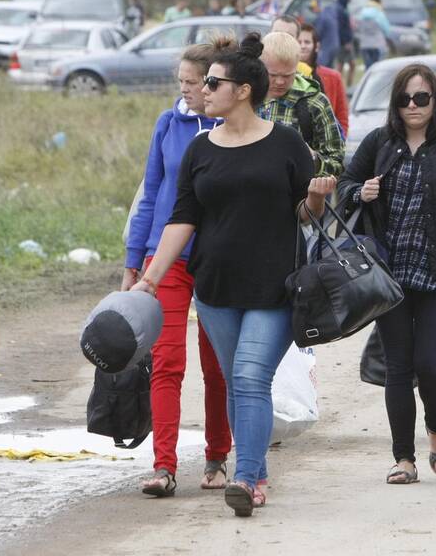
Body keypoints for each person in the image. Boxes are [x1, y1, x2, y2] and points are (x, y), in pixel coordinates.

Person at [131, 32, 335, 517]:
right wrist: (150, 277)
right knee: (238, 378)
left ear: (242, 90)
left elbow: (304, 216)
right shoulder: (201, 148)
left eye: (214, 83)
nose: (204, 89)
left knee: (248, 376)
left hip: (273, 286)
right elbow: (183, 219)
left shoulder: (286, 143)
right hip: (216, 289)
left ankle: (244, 477)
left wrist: (318, 199)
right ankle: (257, 473)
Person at [338, 63, 436, 485]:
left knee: (430, 365)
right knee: (398, 368)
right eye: (405, 98)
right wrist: (360, 191)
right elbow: (344, 185)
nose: (413, 106)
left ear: (435, 102)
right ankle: (403, 459)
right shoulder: (378, 142)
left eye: (422, 98)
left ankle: (434, 430)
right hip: (389, 280)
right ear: (395, 103)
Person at [125, 43, 231, 498]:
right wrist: (134, 262)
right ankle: (163, 466)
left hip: (218, 260)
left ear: (214, 84)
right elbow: (150, 194)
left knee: (217, 365)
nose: (185, 90)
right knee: (167, 361)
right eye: (182, 82)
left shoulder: (233, 130)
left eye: (193, 83)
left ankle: (216, 458)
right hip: (164, 258)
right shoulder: (168, 124)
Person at [257, 31, 345, 176]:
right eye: (272, 75)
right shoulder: (246, 97)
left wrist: (313, 160)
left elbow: (337, 163)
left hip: (299, 195)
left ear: (297, 67)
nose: (280, 82)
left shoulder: (315, 103)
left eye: (287, 75)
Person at [298, 22, 349, 137]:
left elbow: (342, 115)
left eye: (307, 42)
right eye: (299, 42)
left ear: (317, 46)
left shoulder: (333, 77)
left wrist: (340, 139)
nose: (302, 46)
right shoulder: (287, 76)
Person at [315, 0, 352, 68]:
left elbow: (318, 33)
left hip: (329, 45)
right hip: (335, 44)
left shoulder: (324, 16)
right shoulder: (335, 12)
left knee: (324, 67)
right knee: (332, 66)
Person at [356, 0, 392, 69]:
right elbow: (387, 30)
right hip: (377, 45)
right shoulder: (379, 13)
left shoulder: (361, 13)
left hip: (364, 45)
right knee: (377, 68)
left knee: (368, 68)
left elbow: (358, 28)